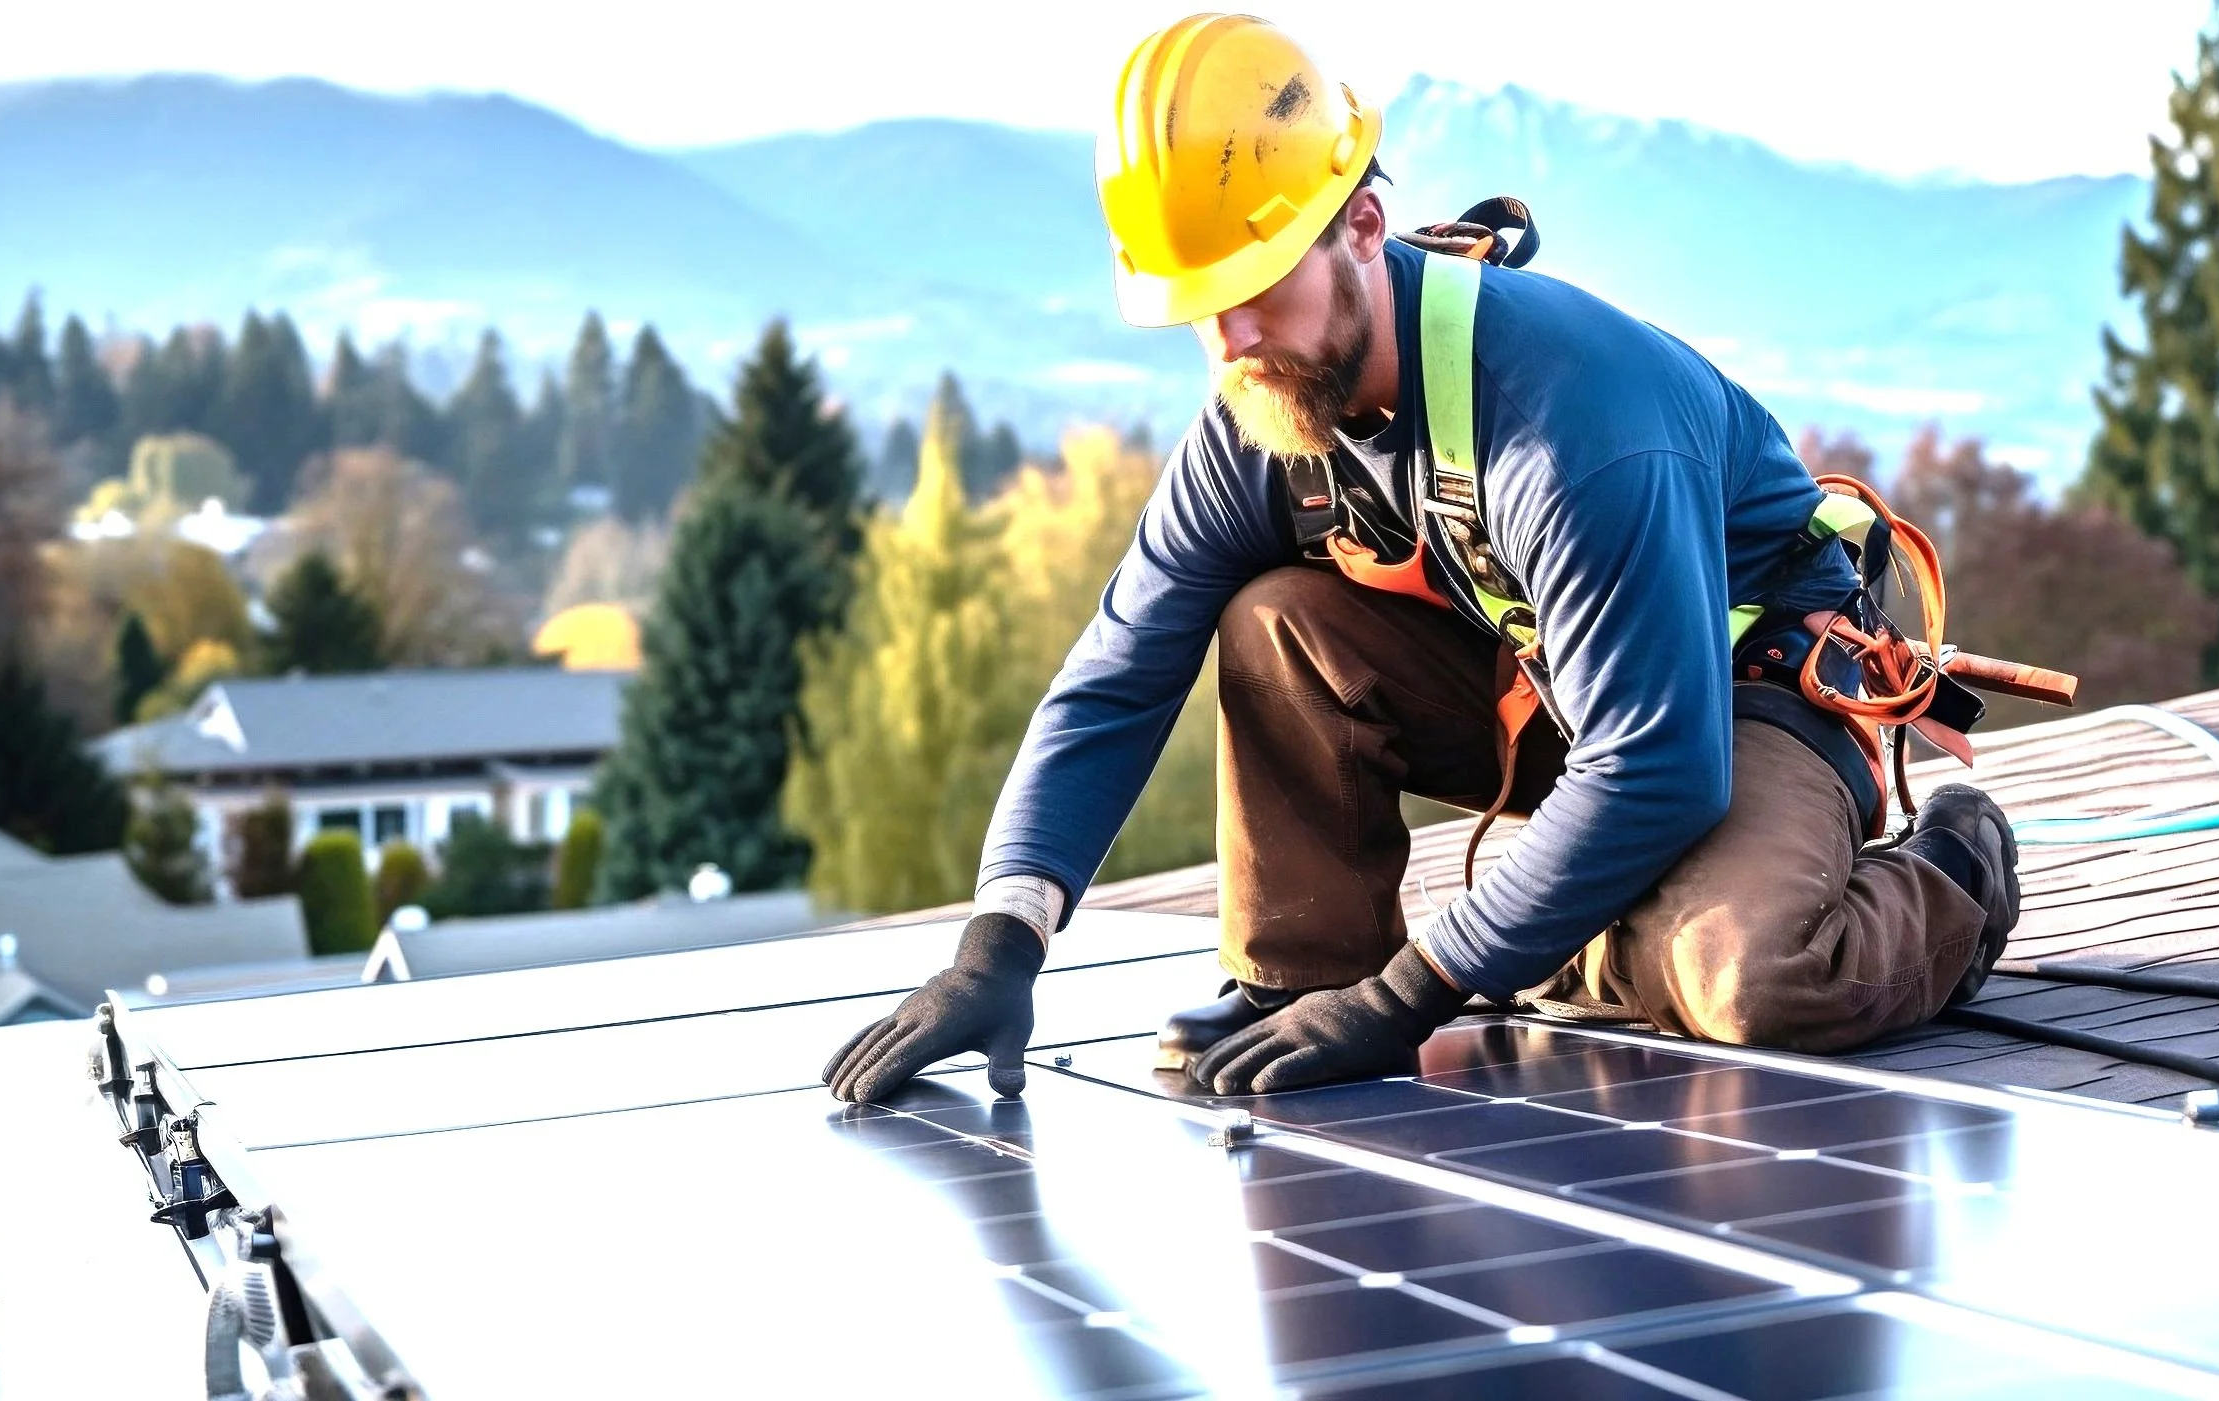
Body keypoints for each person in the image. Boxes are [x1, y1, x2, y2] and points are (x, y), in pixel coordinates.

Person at [824, 12, 2020, 1104]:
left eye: (1257, 286)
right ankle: (1304, 976)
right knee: (1273, 617)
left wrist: (1413, 996)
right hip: (1566, 693)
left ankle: (1957, 867)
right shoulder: (1264, 409)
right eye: (1199, 306)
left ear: (1359, 226)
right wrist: (1000, 941)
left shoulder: (1569, 422)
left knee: (1747, 976)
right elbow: (1119, 671)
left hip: (1750, 699)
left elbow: (1657, 766)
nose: (1233, 339)